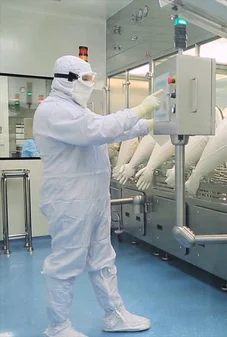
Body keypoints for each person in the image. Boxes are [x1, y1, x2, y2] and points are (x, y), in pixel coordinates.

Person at [33, 55, 162, 337]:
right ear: (66, 80)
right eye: (86, 79)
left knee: (103, 258)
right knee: (66, 262)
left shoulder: (78, 110)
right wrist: (139, 109)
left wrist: (148, 125)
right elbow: (97, 130)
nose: (90, 85)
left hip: (94, 198)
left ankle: (114, 315)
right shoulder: (53, 111)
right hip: (69, 200)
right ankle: (58, 326)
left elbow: (106, 128)